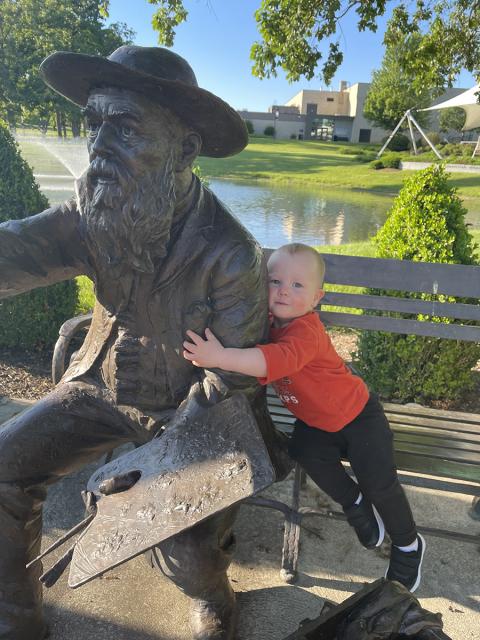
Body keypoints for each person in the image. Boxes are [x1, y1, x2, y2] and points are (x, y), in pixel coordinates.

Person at [0, 46, 289, 640]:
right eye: (95, 125)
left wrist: (147, 466)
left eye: (127, 128)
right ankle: (16, 617)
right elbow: (15, 251)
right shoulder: (92, 216)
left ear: (184, 150)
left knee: (181, 539)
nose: (101, 146)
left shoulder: (231, 255)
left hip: (195, 415)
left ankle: (214, 601)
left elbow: (231, 380)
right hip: (98, 390)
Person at [183, 242, 426, 593]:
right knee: (304, 452)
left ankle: (408, 545)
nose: (284, 290)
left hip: (359, 417)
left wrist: (219, 356)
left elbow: (267, 362)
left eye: (298, 285)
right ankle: (354, 502)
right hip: (315, 421)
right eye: (275, 281)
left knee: (380, 483)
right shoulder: (265, 322)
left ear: (316, 298)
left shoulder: (306, 333)